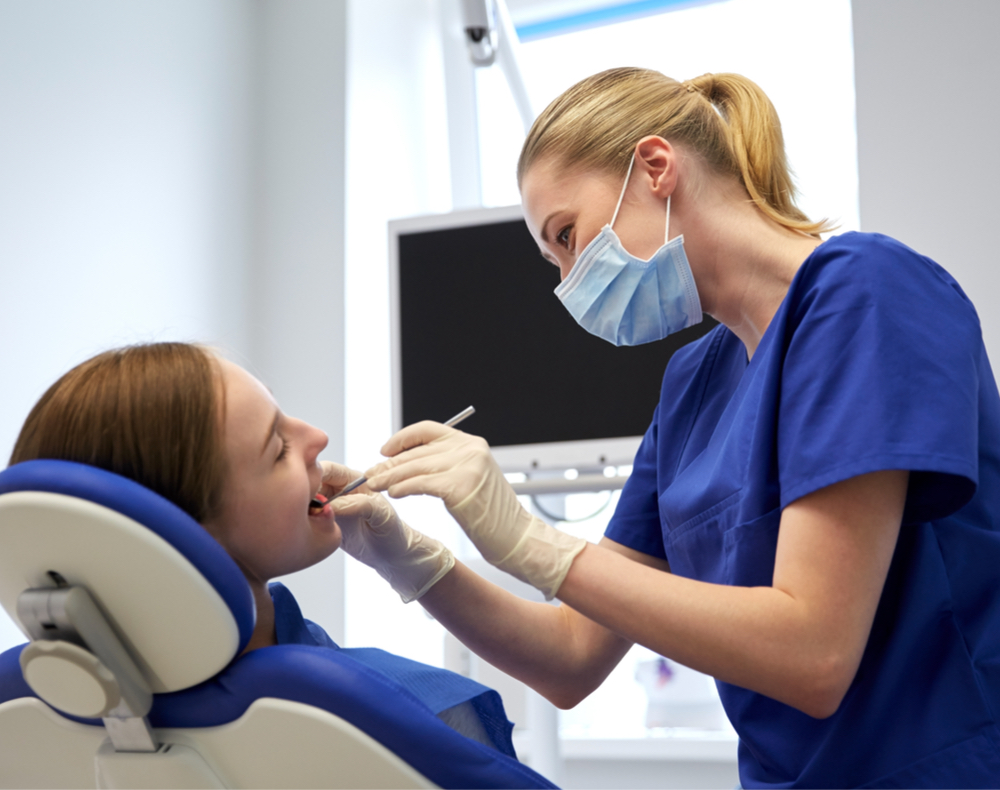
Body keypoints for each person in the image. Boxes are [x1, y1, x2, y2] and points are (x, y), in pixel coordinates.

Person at [323, 69, 1000, 787]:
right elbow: (573, 655)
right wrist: (410, 561)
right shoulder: (693, 385)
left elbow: (814, 655)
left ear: (655, 167)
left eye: (568, 236)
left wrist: (528, 539)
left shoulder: (863, 292)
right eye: (553, 262)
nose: (567, 283)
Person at [7, 342, 515, 755]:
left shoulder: (21, 712)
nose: (317, 436)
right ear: (178, 541)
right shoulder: (412, 714)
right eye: (277, 449)